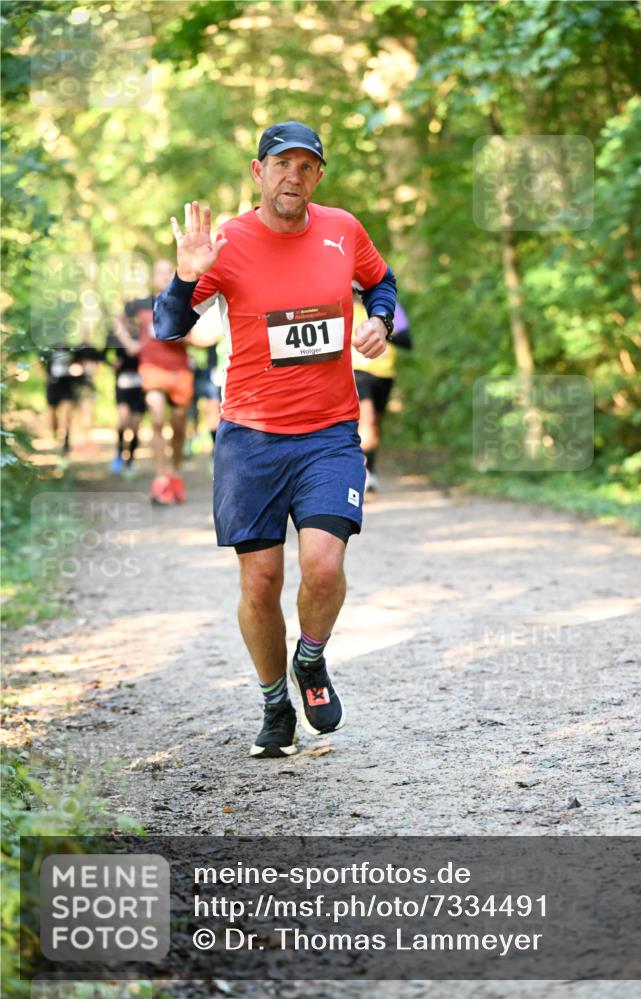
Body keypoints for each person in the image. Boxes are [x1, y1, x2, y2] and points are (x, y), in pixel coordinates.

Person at [154, 121, 397, 758]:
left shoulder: (343, 229)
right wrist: (185, 276)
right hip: (251, 439)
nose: (293, 175)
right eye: (280, 164)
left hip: (329, 434)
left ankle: (310, 661)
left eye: (306, 166)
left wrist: (377, 320)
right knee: (260, 582)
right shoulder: (228, 240)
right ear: (257, 171)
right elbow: (168, 327)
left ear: (318, 176)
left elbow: (382, 281)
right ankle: (273, 704)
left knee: (323, 563)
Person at [113, 260, 194, 504]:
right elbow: (117, 320)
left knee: (178, 426)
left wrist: (182, 335)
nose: (164, 275)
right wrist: (129, 344)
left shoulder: (184, 300)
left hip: (179, 370)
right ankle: (160, 478)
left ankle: (176, 473)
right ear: (153, 277)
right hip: (151, 368)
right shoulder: (141, 304)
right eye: (159, 272)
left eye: (169, 271)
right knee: (157, 418)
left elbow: (196, 334)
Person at [352, 292, 412, 491]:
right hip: (357, 372)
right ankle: (358, 471)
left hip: (384, 374)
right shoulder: (344, 305)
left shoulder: (390, 306)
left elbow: (407, 340)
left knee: (375, 424)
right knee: (366, 420)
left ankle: (371, 468)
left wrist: (382, 329)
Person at [105, 326, 146, 476]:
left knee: (135, 426)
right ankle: (118, 454)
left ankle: (130, 462)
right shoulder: (115, 335)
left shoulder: (143, 333)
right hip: (122, 386)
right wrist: (113, 364)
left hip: (140, 387)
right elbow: (103, 354)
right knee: (123, 420)